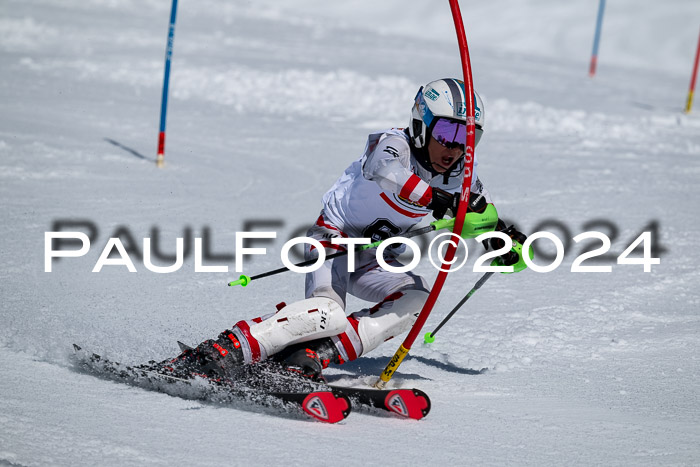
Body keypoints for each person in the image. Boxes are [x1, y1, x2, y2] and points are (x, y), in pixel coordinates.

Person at [166, 78, 528, 381]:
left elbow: (480, 212)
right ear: (422, 122)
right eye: (447, 130)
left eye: (468, 136)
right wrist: (436, 199)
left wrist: (501, 240)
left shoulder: (460, 173)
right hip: (332, 244)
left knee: (418, 300)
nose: (455, 146)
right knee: (328, 312)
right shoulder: (393, 144)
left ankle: (310, 355)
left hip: (374, 260)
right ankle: (220, 352)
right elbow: (385, 173)